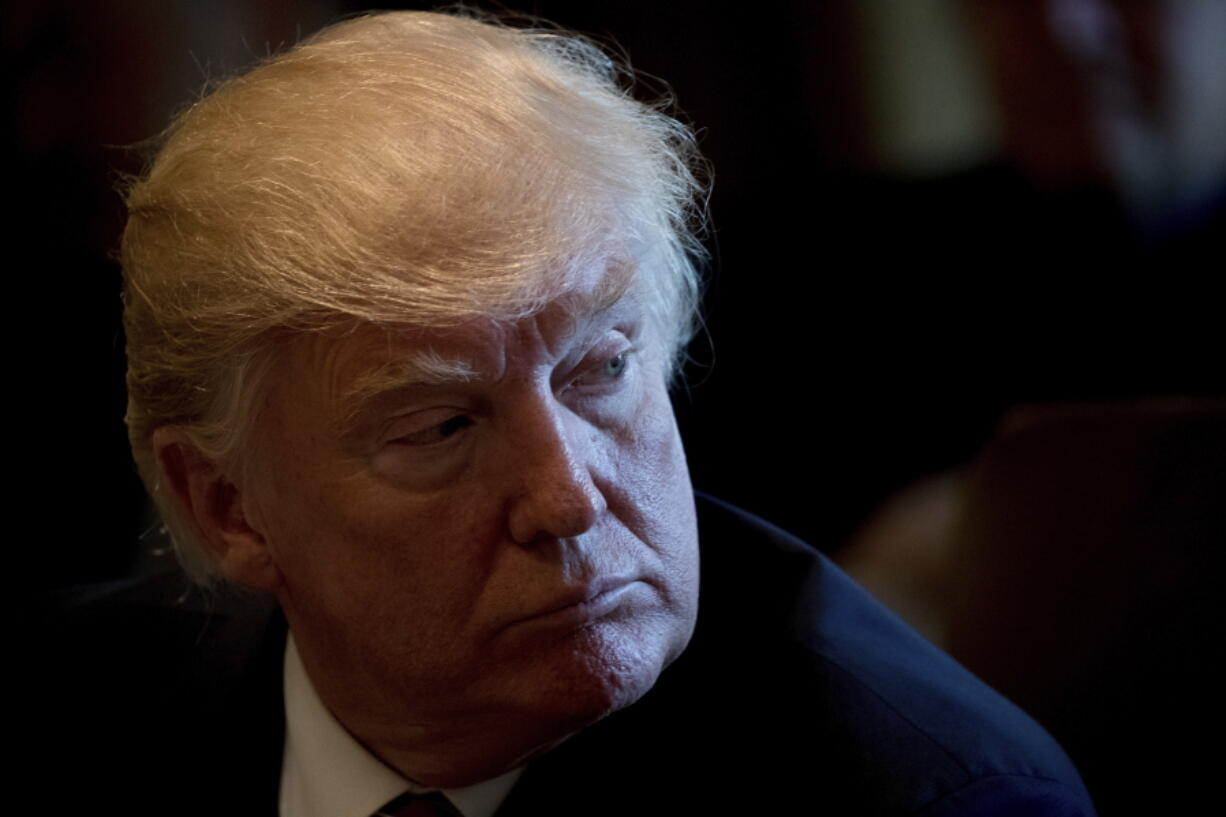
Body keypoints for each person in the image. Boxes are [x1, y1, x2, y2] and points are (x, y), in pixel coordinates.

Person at [43, 10, 1096, 816]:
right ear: (228, 505)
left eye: (598, 372)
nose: (565, 495)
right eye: (442, 427)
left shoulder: (924, 795)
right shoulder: (76, 713)